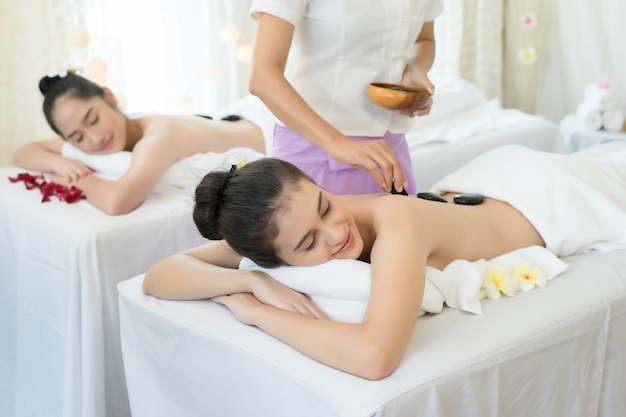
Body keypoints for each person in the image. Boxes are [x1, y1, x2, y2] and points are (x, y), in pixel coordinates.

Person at [142, 144, 626, 380]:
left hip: (541, 193)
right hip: (473, 195)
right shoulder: (274, 233)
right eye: (309, 243)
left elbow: (374, 357)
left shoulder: (395, 221)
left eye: (326, 205)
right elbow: (160, 275)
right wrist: (257, 286)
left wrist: (255, 312)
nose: (337, 234)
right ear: (270, 259)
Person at [248, 0, 444, 195]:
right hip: (315, 149)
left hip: (391, 153)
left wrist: (415, 68)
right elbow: (263, 77)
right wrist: (337, 144)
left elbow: (424, 39)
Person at [13, 71, 266, 215]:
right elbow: (24, 152)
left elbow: (118, 202)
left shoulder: (158, 136)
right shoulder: (115, 130)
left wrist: (78, 179)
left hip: (264, 132)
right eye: (77, 138)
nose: (95, 138)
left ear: (109, 96)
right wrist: (58, 162)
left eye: (93, 119)